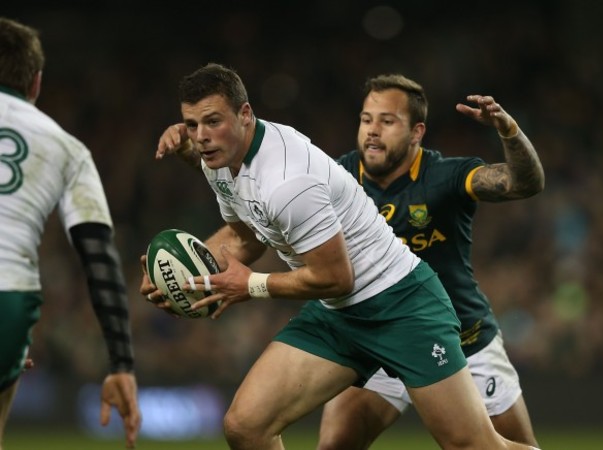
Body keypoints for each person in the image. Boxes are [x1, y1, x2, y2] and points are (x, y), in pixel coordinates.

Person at [144, 62, 540, 450]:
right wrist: (185, 276)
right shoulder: (220, 164)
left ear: (245, 114)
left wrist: (251, 285)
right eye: (192, 125)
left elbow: (336, 277)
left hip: (402, 306)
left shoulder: (288, 180)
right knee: (246, 427)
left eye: (213, 121)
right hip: (339, 313)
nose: (201, 137)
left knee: (471, 445)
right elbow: (247, 236)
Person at [317, 75, 543, 449]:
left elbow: (524, 183)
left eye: (387, 121)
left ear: (416, 131)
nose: (372, 131)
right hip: (382, 339)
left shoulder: (445, 176)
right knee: (334, 445)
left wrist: (510, 131)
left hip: (462, 340)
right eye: (366, 119)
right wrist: (202, 157)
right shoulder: (337, 178)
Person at [0, 17, 141, 449]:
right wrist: (121, 363)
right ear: (36, 83)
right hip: (9, 295)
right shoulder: (67, 148)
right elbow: (99, 259)